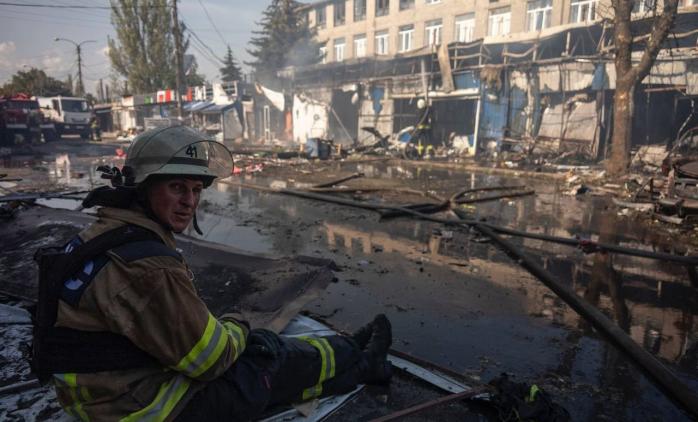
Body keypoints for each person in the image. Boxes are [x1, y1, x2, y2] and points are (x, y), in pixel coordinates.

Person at [32, 126, 392, 421]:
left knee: (256, 349)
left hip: (102, 395)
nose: (189, 201)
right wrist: (238, 323)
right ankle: (362, 364)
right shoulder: (146, 266)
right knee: (266, 357)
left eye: (195, 190)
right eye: (176, 187)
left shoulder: (100, 235)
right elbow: (211, 361)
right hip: (141, 407)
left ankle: (352, 350)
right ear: (142, 188)